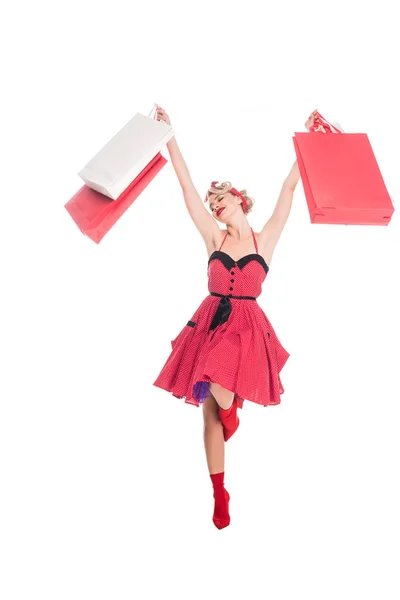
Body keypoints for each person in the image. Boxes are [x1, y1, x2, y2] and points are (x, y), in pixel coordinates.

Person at [153, 105, 315, 529]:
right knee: (208, 411)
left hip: (246, 327)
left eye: (220, 199)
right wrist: (168, 135)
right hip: (209, 321)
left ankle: (231, 415)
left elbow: (288, 188)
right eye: (212, 203)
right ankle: (219, 493)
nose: (214, 205)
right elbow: (187, 190)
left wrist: (309, 138)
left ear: (238, 199)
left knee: (217, 390)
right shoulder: (213, 236)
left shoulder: (267, 238)